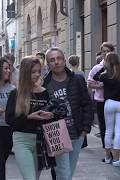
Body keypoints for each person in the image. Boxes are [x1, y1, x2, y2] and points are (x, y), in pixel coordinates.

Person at [43, 47, 93, 180]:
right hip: (56, 133)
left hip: (77, 132)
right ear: (48, 64)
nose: (56, 62)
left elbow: (87, 104)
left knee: (68, 173)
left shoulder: (77, 79)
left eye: (59, 58)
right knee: (64, 174)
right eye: (52, 60)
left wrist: (85, 129)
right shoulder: (44, 83)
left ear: (65, 61)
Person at [5, 56, 55, 180]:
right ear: (26, 72)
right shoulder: (15, 93)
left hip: (42, 141)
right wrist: (29, 117)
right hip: (22, 140)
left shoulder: (46, 93)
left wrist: (51, 115)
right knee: (30, 178)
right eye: (33, 72)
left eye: (39, 71)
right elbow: (9, 120)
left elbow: (55, 115)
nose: (37, 75)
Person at [87, 42, 115, 162]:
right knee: (104, 127)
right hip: (101, 101)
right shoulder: (97, 68)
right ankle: (107, 152)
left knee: (115, 128)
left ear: (112, 52)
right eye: (103, 51)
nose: (105, 53)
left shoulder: (116, 67)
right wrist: (101, 85)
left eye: (107, 51)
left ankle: (116, 151)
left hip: (114, 100)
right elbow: (89, 82)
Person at [93, 52, 120, 166]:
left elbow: (95, 77)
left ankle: (108, 157)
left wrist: (103, 66)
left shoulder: (105, 75)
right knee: (118, 131)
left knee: (109, 131)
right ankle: (117, 160)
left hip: (108, 103)